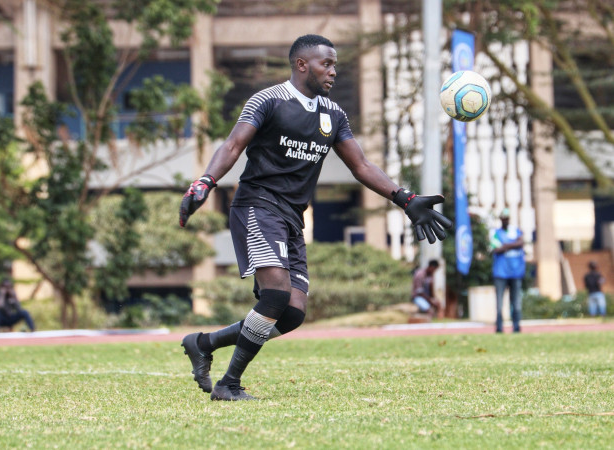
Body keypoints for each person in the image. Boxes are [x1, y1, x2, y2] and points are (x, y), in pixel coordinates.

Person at [178, 34, 453, 401]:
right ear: (302, 64)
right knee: (275, 294)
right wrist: (206, 182)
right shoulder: (268, 100)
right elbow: (232, 145)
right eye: (327, 64)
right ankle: (229, 385)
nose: (333, 71)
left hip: (292, 216)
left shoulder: (334, 114)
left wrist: (405, 199)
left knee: (291, 313)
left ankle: (204, 343)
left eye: (336, 64)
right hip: (257, 205)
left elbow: (361, 165)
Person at [490, 208, 525, 333]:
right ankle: (499, 327)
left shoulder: (515, 231)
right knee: (499, 303)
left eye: (507, 218)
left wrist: (505, 246)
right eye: (503, 218)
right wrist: (513, 244)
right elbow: (495, 249)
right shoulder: (495, 233)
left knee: (516, 302)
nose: (505, 220)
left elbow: (521, 243)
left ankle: (516, 327)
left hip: (516, 272)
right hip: (500, 272)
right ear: (501, 219)